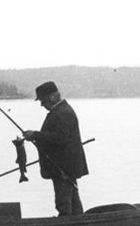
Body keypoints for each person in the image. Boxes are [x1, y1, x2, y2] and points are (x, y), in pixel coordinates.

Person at [22, 81, 89, 216]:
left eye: (43, 100)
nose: (41, 104)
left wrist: (35, 135)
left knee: (64, 201)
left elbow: (60, 138)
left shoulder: (62, 112)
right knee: (73, 200)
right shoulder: (61, 110)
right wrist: (36, 136)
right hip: (65, 166)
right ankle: (78, 225)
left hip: (63, 167)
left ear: (52, 97)